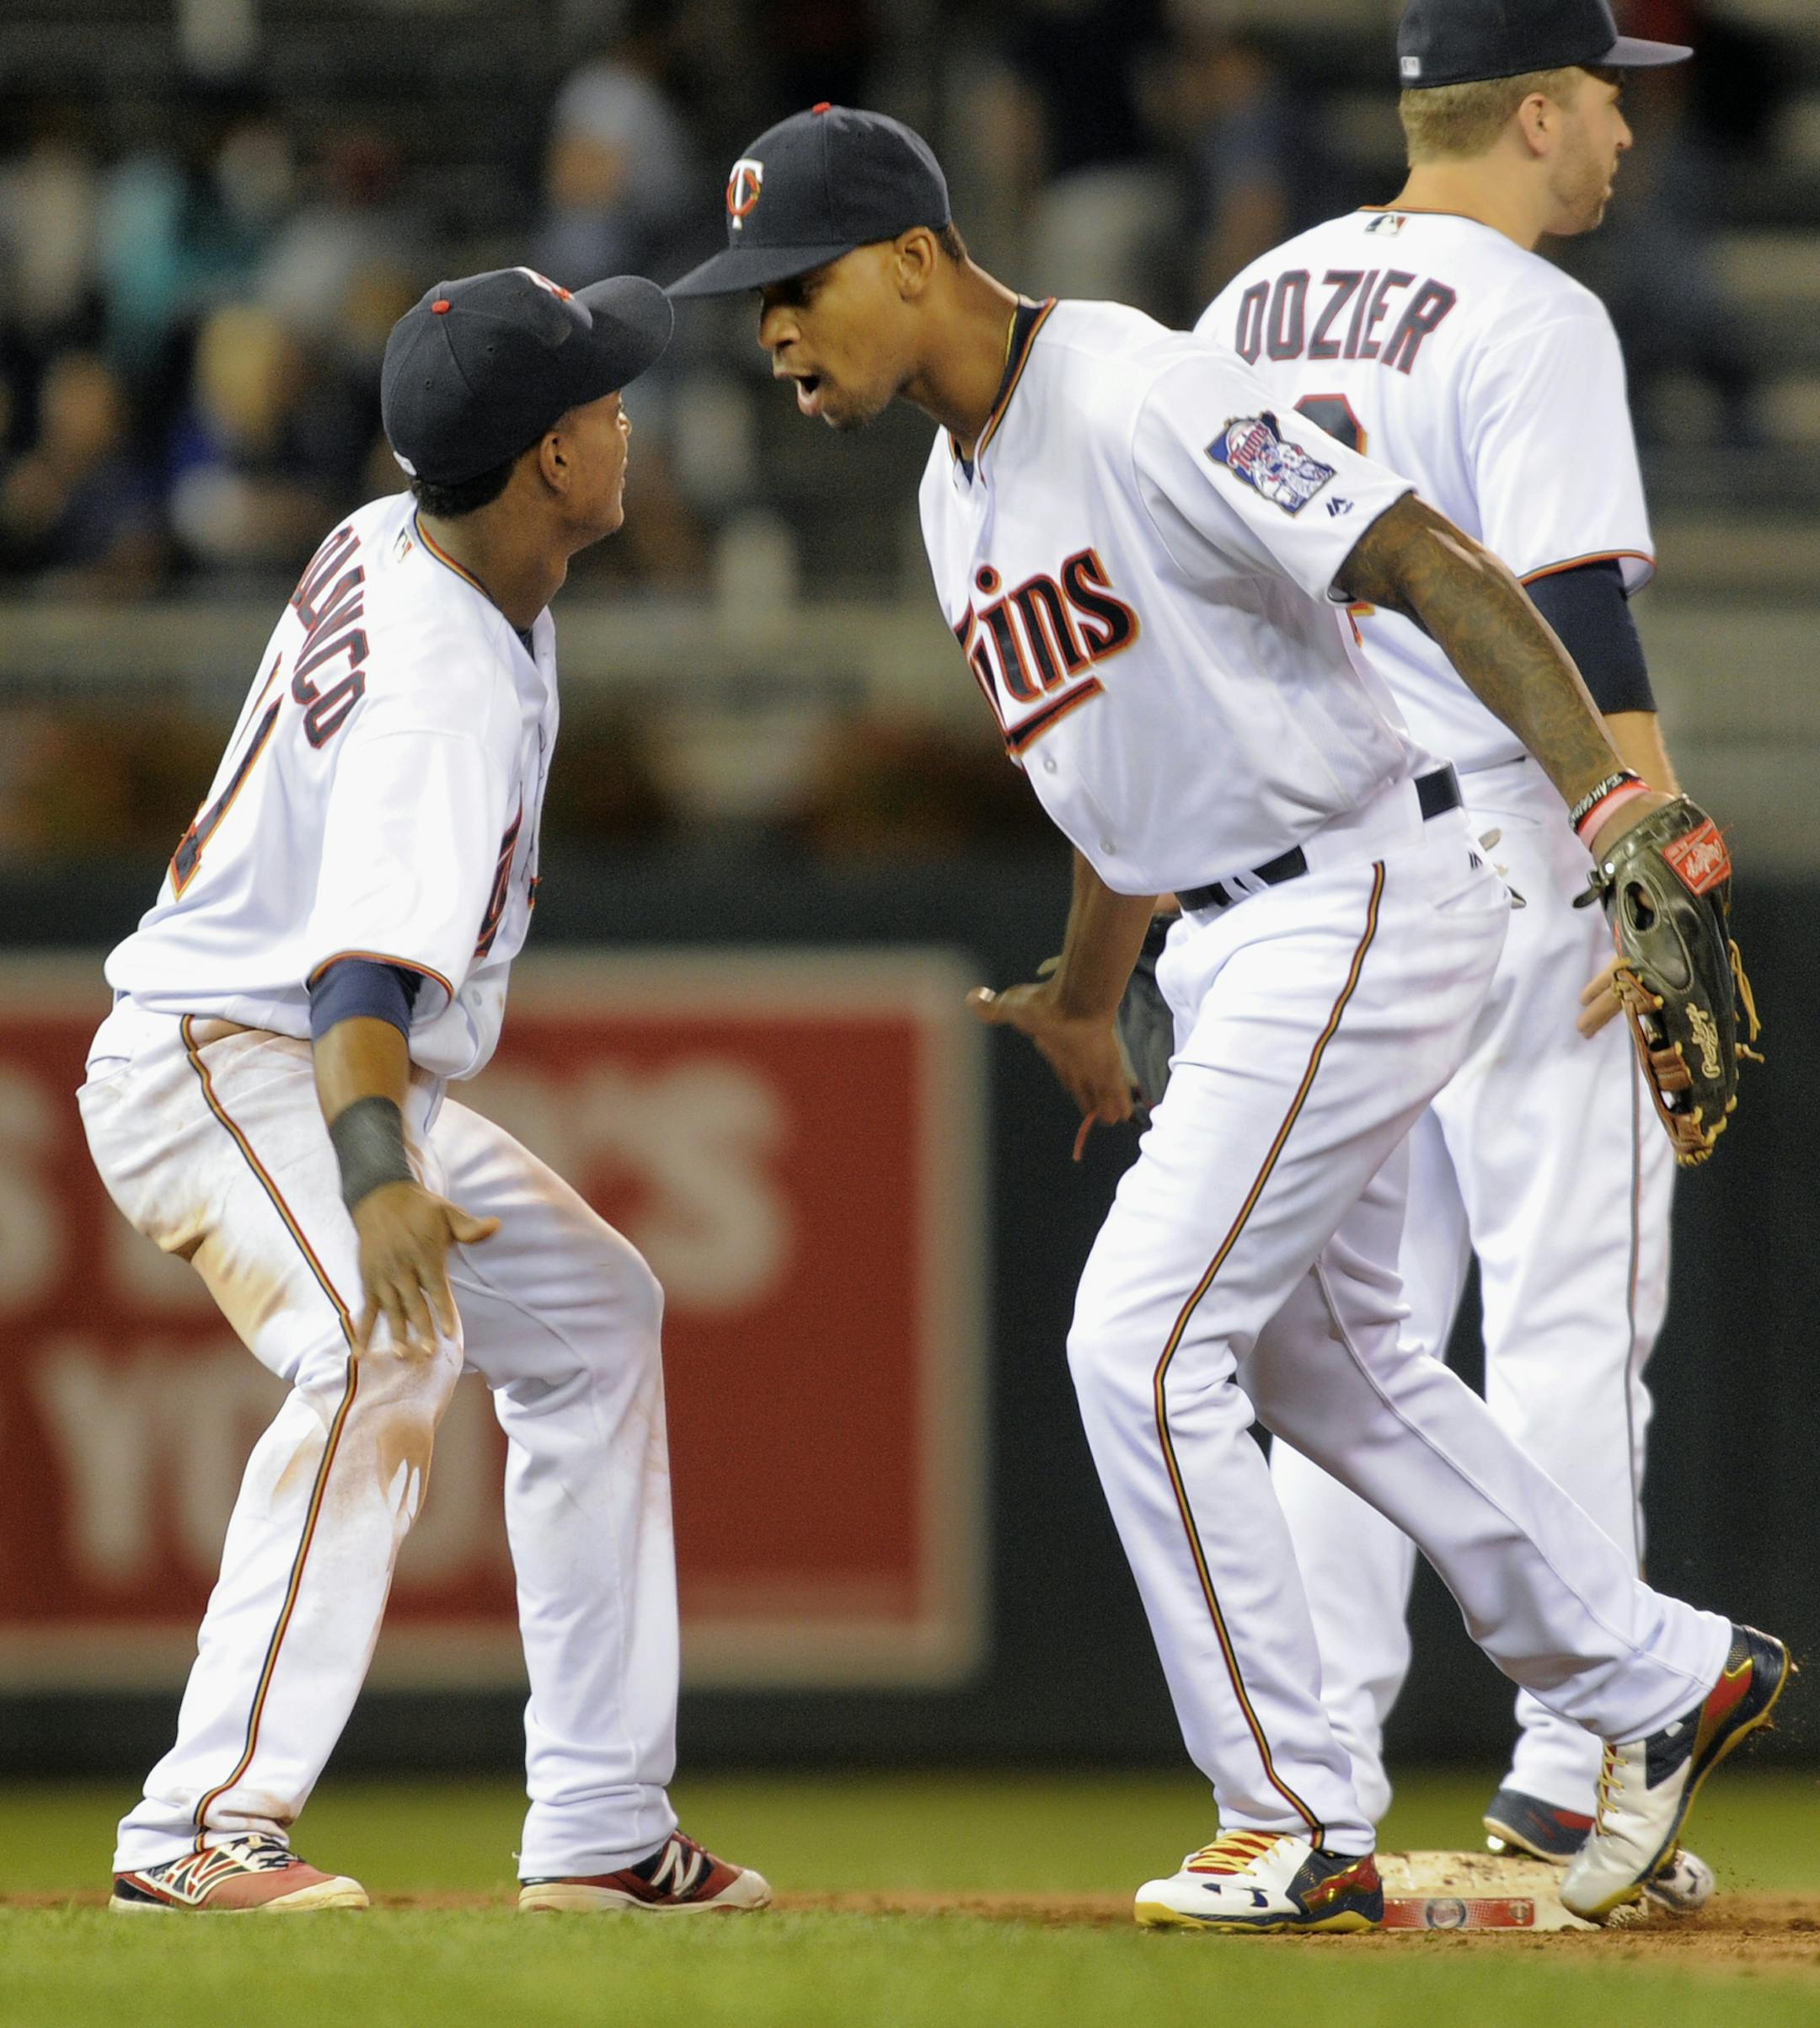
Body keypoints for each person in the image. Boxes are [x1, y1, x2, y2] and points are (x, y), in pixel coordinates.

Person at [668, 103, 1787, 1932]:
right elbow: (1135, 777)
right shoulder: (958, 491)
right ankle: (1652, 1675)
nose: (774, 332)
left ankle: (1295, 1813)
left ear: (916, 259)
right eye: (754, 306)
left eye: (795, 287)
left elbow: (1423, 554)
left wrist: (1613, 804)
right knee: (1318, 1364)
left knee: (1137, 1341)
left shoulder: (1135, 388)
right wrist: (1092, 990)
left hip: (1359, 890)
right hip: (1234, 934)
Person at [78, 266, 768, 1917]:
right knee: (383, 1331)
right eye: (599, 401)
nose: (624, 418)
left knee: (597, 1314)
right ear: (541, 461)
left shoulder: (410, 539)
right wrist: (378, 1170)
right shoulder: (441, 678)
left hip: (279, 1041)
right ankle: (198, 1823)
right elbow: (357, 982)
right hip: (228, 1059)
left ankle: (599, 1822)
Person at [1191, 0, 1714, 1893]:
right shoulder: (1532, 313)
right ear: (1545, 109)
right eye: (1610, 109)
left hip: (1314, 867)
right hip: (1520, 820)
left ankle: (1314, 1771)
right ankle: (1584, 1758)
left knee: (1344, 1333)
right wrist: (1642, 853)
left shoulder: (1248, 302)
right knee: (1570, 1300)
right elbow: (1573, 613)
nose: (1628, 144)